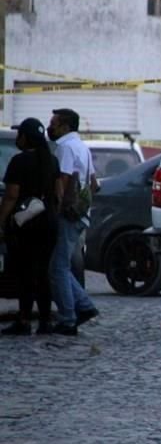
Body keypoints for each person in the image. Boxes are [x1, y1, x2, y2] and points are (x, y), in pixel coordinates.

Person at [0, 118, 60, 335]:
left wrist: (2, 222)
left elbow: (11, 195)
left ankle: (24, 320)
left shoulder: (19, 161)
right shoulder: (52, 161)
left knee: (25, 272)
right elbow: (59, 193)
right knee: (43, 272)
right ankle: (45, 321)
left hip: (26, 224)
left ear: (25, 137)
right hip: (49, 221)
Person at [47, 108, 100, 336]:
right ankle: (84, 306)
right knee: (61, 266)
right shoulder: (82, 147)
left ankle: (68, 318)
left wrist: (56, 210)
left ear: (65, 126)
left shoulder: (65, 147)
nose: (51, 128)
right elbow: (94, 183)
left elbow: (63, 179)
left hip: (67, 214)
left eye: (54, 124)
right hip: (80, 214)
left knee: (57, 268)